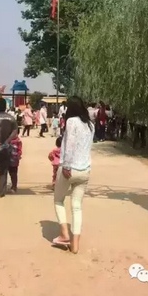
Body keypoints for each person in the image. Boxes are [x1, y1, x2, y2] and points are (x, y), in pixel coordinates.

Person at [52, 96, 94, 254]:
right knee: (77, 207)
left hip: (70, 168)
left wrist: (66, 165)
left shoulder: (71, 121)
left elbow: (69, 145)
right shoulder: (90, 124)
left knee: (58, 200)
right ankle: (75, 244)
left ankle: (64, 234)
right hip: (85, 169)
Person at [8, 129, 23, 193]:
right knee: (4, 173)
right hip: (6, 159)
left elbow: (20, 150)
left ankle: (14, 186)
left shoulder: (18, 141)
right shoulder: (7, 140)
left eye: (15, 134)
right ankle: (2, 187)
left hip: (14, 160)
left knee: (13, 173)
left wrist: (18, 155)